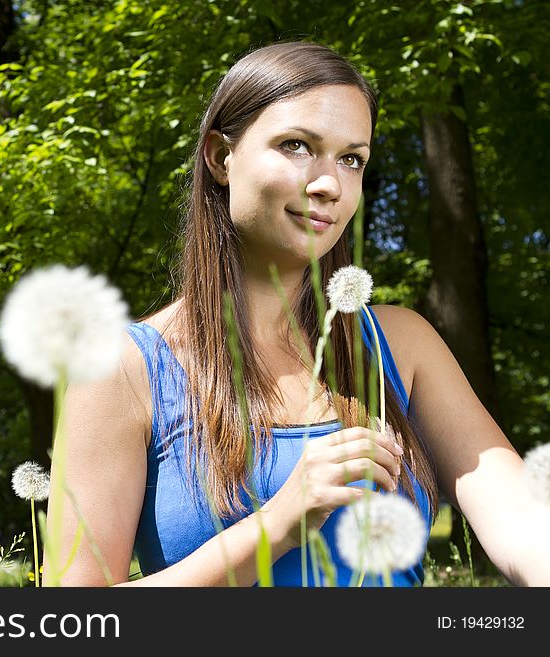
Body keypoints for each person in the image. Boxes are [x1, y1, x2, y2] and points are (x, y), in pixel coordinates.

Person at [43, 41, 550, 587]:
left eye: (352, 158)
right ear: (220, 158)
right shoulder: (122, 367)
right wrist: (277, 525)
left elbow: (523, 525)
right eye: (297, 145)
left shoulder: (402, 345)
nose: (329, 183)